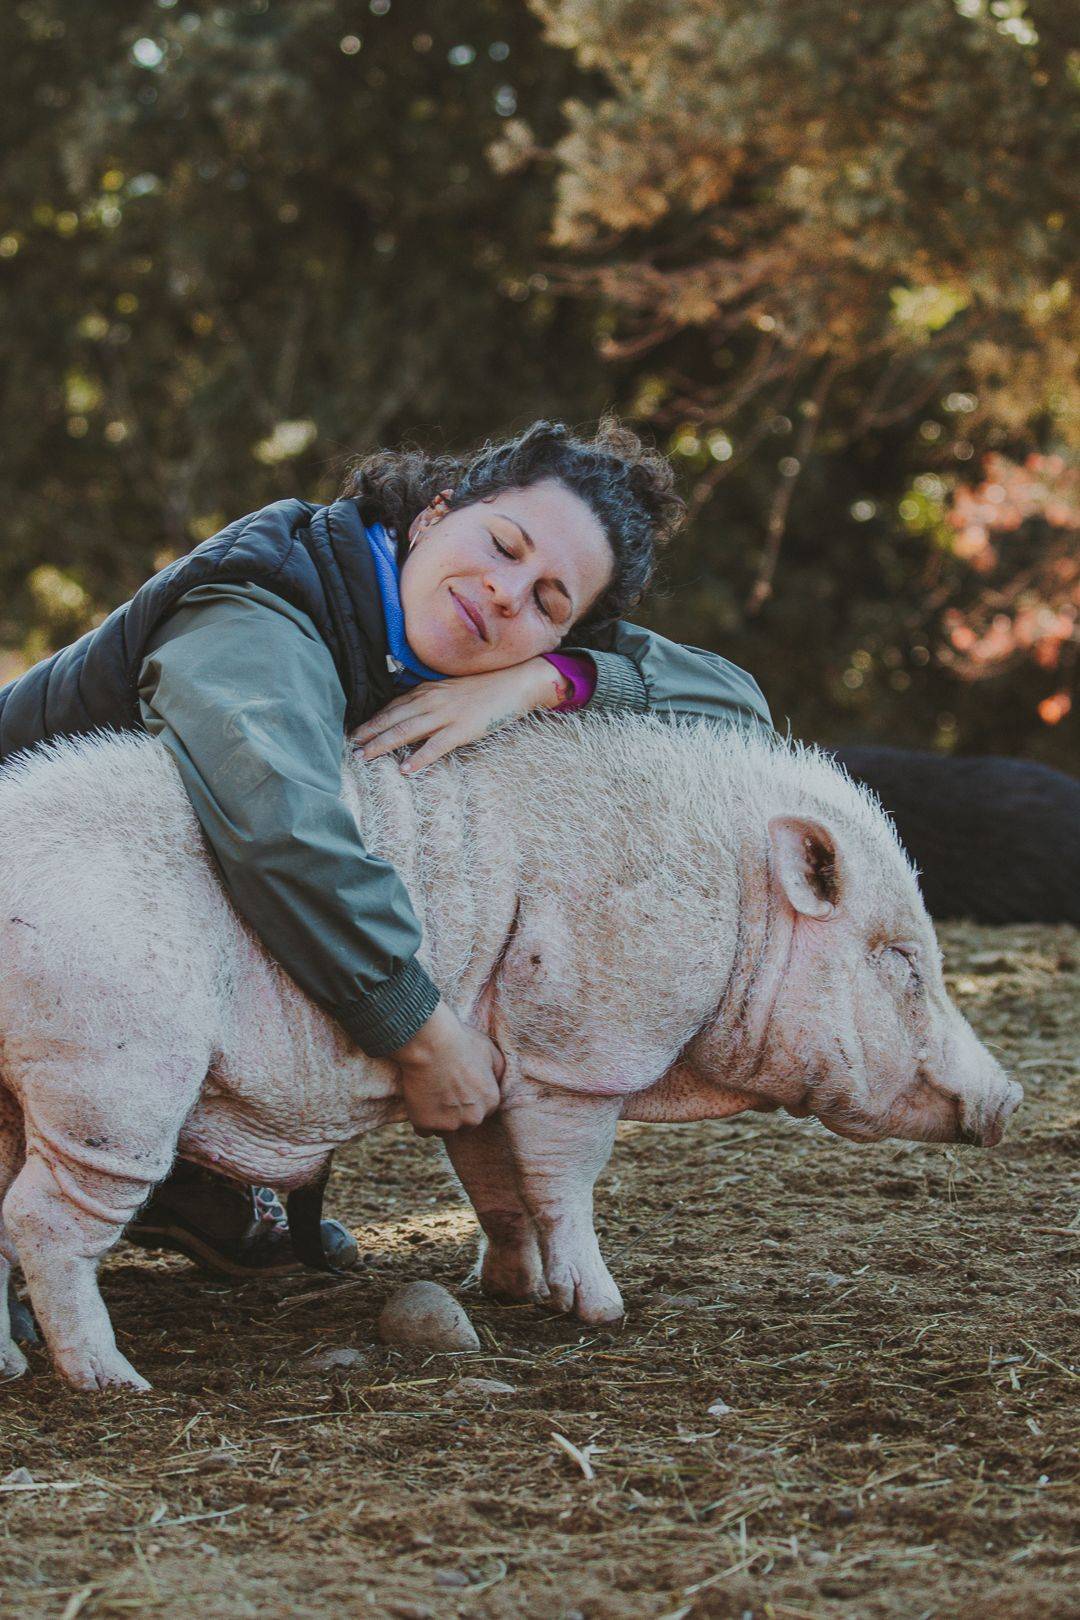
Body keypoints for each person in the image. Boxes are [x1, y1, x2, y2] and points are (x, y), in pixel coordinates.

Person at [0, 418, 771, 1288]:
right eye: (502, 544)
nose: (508, 592)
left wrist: (551, 683)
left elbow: (736, 710)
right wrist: (420, 1031)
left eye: (552, 601)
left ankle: (192, 1184)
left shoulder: (483, 647)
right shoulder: (262, 602)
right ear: (433, 513)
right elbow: (281, 830)